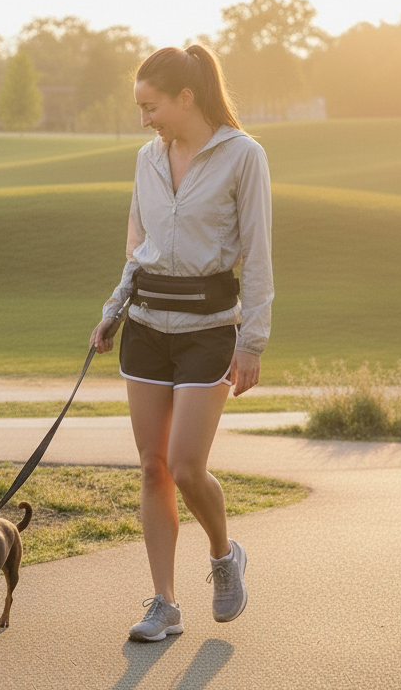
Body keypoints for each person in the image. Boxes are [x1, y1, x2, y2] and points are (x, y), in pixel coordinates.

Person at [89, 45, 273, 642]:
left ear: (185, 97)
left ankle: (224, 556)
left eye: (151, 106)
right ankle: (163, 603)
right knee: (151, 468)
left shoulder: (244, 156)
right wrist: (113, 309)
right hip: (145, 326)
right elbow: (136, 250)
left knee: (187, 467)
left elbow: (261, 258)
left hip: (208, 331)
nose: (145, 120)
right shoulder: (146, 159)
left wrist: (253, 341)